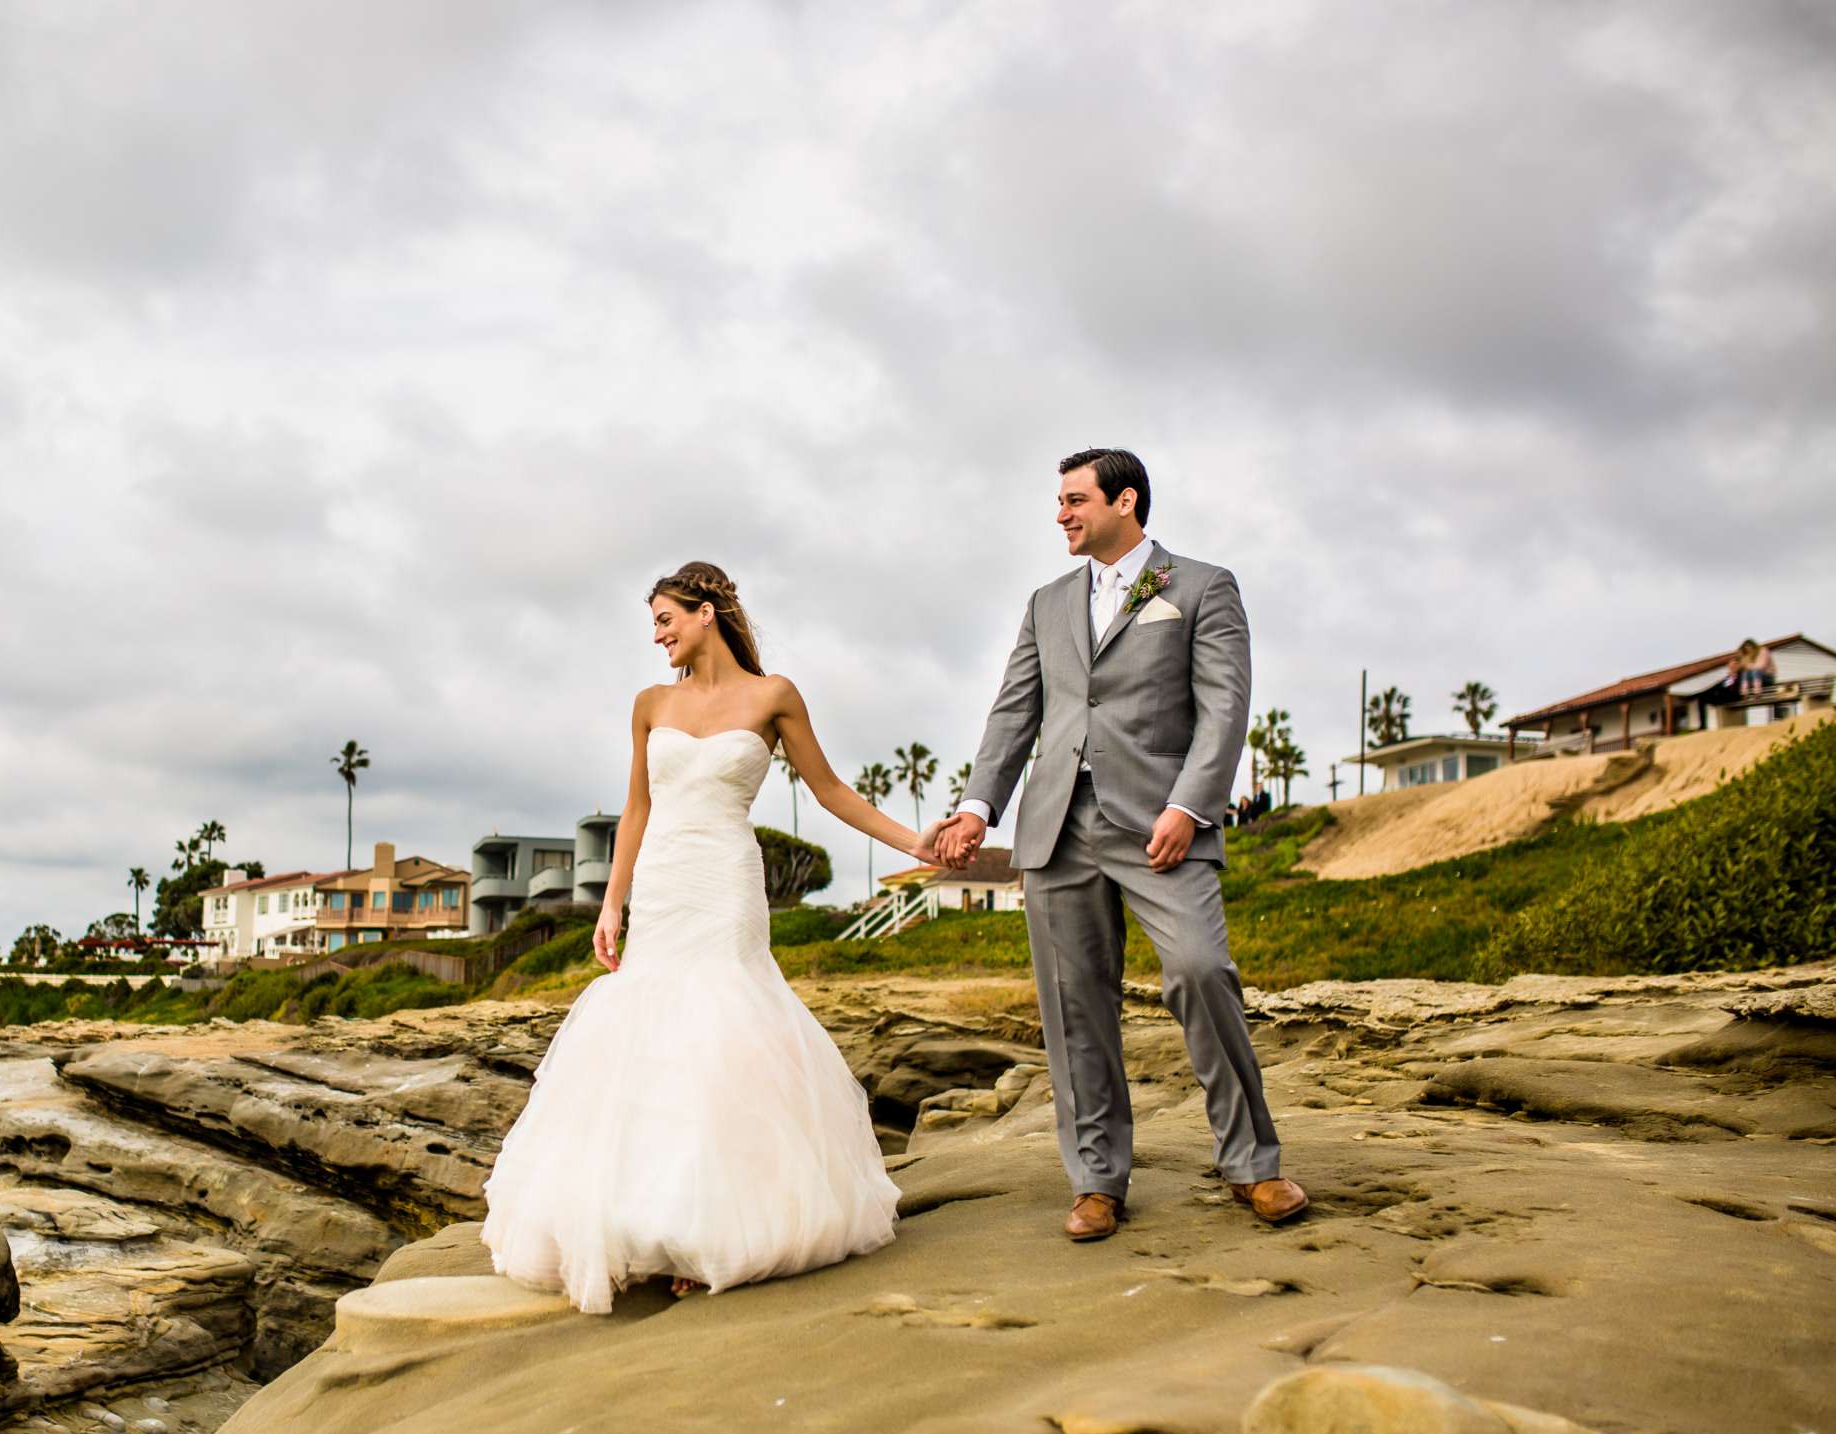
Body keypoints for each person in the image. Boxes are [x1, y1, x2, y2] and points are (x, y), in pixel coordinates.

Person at [481, 562, 921, 1312]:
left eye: (666, 619)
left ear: (707, 611)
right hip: (662, 883)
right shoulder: (650, 704)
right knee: (651, 1035)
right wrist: (612, 901)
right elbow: (636, 808)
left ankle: (712, 1230)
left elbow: (831, 791)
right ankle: (645, 1222)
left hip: (725, 881)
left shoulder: (773, 695)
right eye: (654, 623)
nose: (659, 636)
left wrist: (915, 843)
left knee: (723, 1027)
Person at [925, 448, 1304, 1243]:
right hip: (1056, 825)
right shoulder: (1045, 602)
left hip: (1163, 824)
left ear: (1124, 501)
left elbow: (1225, 708)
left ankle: (1253, 1165)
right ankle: (1097, 1180)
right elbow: (1013, 713)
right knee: (1074, 1008)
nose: (1060, 514)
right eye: (1058, 501)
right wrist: (975, 809)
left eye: (1074, 500)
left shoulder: (1201, 587)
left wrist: (1191, 806)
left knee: (1202, 971)